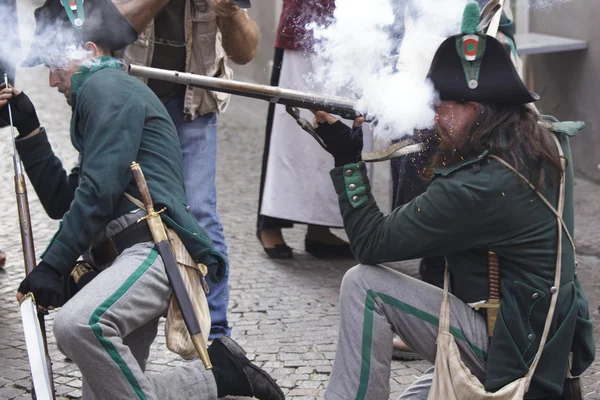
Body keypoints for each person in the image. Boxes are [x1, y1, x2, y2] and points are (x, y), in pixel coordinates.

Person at [304, 2, 595, 399]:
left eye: (442, 108)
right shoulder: (540, 138)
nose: (435, 117)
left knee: (363, 285)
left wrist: (347, 158)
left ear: (476, 110)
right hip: (547, 347)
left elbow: (370, 244)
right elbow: (455, 150)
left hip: (511, 354)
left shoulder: (479, 187)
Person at [2, 1, 283, 399]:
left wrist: (53, 265)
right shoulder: (103, 93)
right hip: (125, 258)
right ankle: (219, 378)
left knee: (78, 325)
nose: (51, 81)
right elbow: (66, 202)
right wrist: (29, 129)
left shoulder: (106, 86)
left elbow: (98, 193)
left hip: (151, 250)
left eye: (54, 65)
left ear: (88, 51)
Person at [121, 0, 259, 339]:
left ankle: (216, 334)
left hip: (192, 103)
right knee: (114, 209)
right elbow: (109, 26)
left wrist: (230, 12)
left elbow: (246, 52)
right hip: (127, 102)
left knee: (199, 212)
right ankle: (110, 321)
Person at [256, 0, 362, 260]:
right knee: (291, 129)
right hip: (306, 19)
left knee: (343, 124)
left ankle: (320, 227)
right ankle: (270, 223)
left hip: (358, 26)